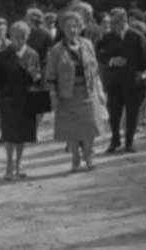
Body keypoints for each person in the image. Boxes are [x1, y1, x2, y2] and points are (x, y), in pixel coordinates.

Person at [47, 12, 106, 173]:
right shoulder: (56, 50)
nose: (72, 30)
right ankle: (75, 159)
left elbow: (95, 70)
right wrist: (53, 95)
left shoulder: (87, 44)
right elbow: (50, 76)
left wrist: (100, 90)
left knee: (90, 128)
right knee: (72, 131)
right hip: (68, 95)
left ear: (80, 28)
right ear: (63, 29)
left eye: (75, 26)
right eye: (69, 27)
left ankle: (88, 157)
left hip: (88, 92)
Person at [97, 8, 146, 153]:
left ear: (124, 20)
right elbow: (99, 55)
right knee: (113, 112)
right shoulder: (107, 38)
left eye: (116, 22)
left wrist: (142, 75)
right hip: (114, 81)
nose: (113, 26)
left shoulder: (136, 36)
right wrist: (111, 61)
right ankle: (115, 140)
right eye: (111, 22)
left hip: (132, 81)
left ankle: (129, 141)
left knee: (132, 113)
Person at [0, 21, 42, 181]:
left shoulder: (33, 54)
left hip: (27, 99)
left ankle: (19, 164)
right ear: (10, 37)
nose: (19, 40)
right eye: (16, 37)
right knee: (9, 136)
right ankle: (8, 166)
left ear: (27, 37)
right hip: (9, 101)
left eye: (23, 37)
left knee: (23, 136)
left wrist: (36, 76)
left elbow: (38, 80)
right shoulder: (3, 55)